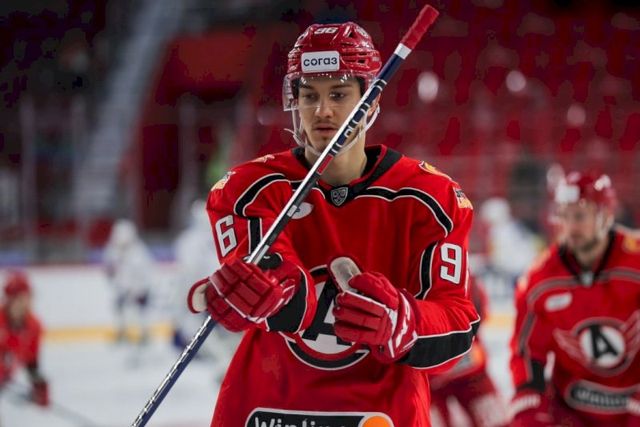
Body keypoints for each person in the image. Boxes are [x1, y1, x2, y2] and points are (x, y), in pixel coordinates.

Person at [187, 21, 480, 426]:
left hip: (380, 413)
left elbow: (458, 323)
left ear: (371, 102)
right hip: (269, 409)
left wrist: (405, 322)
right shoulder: (250, 188)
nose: (322, 111)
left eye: (339, 94)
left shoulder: (431, 198)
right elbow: (270, 277)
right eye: (310, 95)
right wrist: (255, 294)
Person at [509, 171, 640, 426]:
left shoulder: (635, 264)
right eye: (564, 215)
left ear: (606, 216)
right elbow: (528, 350)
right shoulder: (541, 279)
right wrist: (528, 392)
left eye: (579, 216)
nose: (570, 226)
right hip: (572, 410)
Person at [429, 276, 509, 427]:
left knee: (498, 422)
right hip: (432, 379)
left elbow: (480, 315)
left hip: (468, 372)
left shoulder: (467, 280)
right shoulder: (466, 279)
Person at [0, 271, 49, 407]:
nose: (27, 303)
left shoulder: (34, 326)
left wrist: (37, 383)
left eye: (29, 297)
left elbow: (31, 361)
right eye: (21, 298)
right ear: (10, 299)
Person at [103, 219, 155, 344]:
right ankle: (122, 331)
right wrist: (115, 281)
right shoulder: (112, 250)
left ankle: (144, 333)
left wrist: (138, 289)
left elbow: (144, 272)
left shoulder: (139, 251)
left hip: (140, 288)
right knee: (119, 308)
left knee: (141, 311)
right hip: (123, 287)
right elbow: (109, 269)